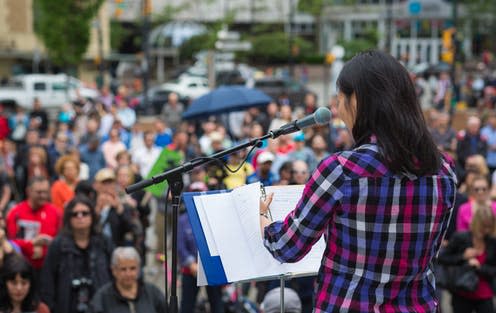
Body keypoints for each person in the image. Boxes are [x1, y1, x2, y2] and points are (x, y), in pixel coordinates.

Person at [259, 50, 457, 313]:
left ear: (358, 101)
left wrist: (263, 219)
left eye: (340, 100)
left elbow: (286, 247)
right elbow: (430, 253)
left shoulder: (341, 171)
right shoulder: (444, 171)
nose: (338, 110)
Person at [40, 196, 113, 313]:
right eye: (75, 214)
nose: (80, 217)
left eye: (84, 213)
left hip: (100, 304)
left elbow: (113, 272)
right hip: (66, 305)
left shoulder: (104, 242)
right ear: (69, 218)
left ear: (92, 216)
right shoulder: (58, 245)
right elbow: (48, 278)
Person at [438, 205, 496, 313]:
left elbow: (493, 269)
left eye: (488, 227)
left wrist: (479, 267)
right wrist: (463, 257)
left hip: (485, 294)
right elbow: (442, 258)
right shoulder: (461, 237)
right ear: (475, 224)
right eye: (482, 227)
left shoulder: (492, 242)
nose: (485, 230)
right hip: (461, 291)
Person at [6, 176, 60, 273]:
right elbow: (11, 242)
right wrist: (31, 245)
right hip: (21, 268)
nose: (43, 195)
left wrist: (44, 250)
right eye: (39, 192)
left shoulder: (55, 213)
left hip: (49, 268)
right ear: (28, 191)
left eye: (46, 192)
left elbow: (60, 242)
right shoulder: (16, 212)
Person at [88, 247, 166, 313]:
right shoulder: (101, 298)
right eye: (123, 269)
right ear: (113, 270)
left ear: (139, 269)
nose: (128, 274)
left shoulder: (153, 293)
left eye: (132, 268)